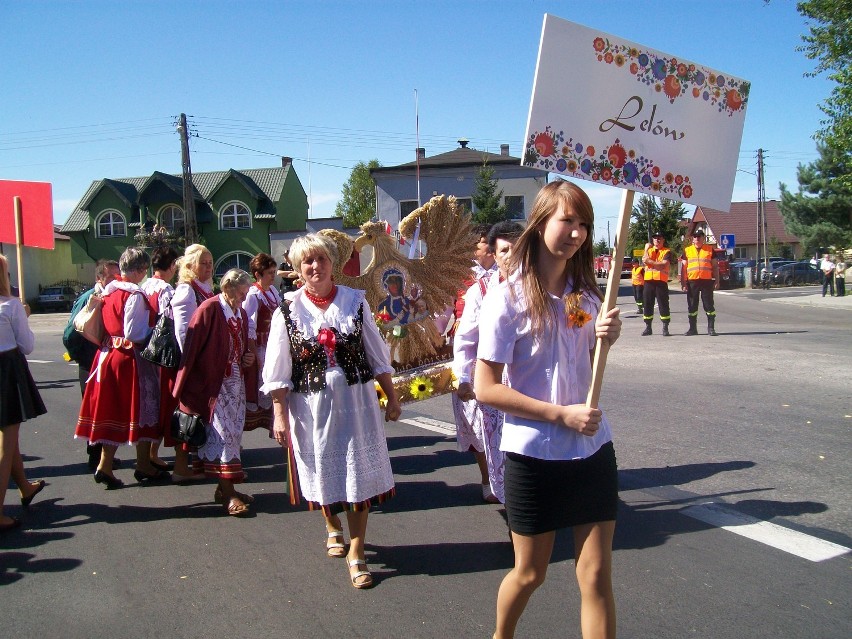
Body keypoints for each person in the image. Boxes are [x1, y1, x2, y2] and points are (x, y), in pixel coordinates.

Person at [474, 180, 621, 639]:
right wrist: (559, 415)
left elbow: (585, 372)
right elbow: (486, 388)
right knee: (530, 573)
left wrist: (605, 341)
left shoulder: (587, 297)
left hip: (592, 450)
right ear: (540, 224)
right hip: (533, 455)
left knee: (595, 576)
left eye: (584, 224)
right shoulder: (507, 297)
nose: (576, 232)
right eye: (567, 221)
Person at [262, 233, 401, 589]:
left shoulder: (355, 302)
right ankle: (332, 524)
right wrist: (278, 414)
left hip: (356, 405)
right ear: (297, 269)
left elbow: (375, 352)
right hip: (311, 410)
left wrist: (392, 396)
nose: (315, 267)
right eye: (307, 262)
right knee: (325, 471)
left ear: (332, 264)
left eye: (321, 259)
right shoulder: (287, 311)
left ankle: (358, 551)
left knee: (359, 476)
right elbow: (277, 370)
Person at [74, 247, 169, 489]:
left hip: (106, 356)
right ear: (139, 270)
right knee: (144, 408)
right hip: (129, 358)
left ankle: (105, 465)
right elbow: (133, 332)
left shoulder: (108, 291)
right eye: (144, 269)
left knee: (114, 411)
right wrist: (155, 330)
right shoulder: (134, 295)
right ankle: (143, 463)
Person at [173, 269, 256, 517]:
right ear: (229, 287)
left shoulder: (239, 313)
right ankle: (228, 492)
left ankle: (225, 489)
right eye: (242, 293)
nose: (244, 299)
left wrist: (246, 357)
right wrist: (190, 383)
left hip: (235, 385)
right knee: (221, 435)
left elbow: (239, 345)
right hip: (214, 387)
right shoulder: (209, 309)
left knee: (233, 435)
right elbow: (192, 345)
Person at [452, 221, 523, 505]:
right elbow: (466, 338)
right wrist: (464, 378)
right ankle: (514, 513)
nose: (510, 255)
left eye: (516, 248)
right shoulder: (480, 290)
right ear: (494, 254)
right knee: (498, 448)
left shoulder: (542, 285)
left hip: (529, 380)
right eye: (504, 250)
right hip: (494, 381)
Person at [0, 254, 48, 532]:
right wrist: (24, 317)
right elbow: (27, 346)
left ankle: (25, 487)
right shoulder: (10, 306)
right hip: (6, 371)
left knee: (9, 437)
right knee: (6, 443)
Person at [63, 259, 121, 470]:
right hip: (90, 361)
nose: (116, 280)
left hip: (100, 359)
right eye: (111, 276)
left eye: (118, 276)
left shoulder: (109, 295)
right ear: (99, 278)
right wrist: (81, 356)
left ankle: (101, 456)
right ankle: (95, 457)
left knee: (102, 408)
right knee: (95, 409)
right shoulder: (90, 297)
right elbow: (71, 333)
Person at [168, 243, 215, 483]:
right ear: (190, 266)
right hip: (193, 363)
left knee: (200, 414)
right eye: (203, 263)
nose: (208, 267)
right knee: (188, 414)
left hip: (205, 360)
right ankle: (180, 467)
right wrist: (196, 362)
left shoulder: (204, 288)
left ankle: (198, 462)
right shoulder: (186, 290)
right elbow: (184, 333)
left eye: (210, 263)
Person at [140, 246, 180, 470]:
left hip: (145, 348)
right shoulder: (166, 289)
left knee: (149, 402)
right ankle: (152, 453)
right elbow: (168, 320)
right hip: (161, 351)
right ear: (172, 265)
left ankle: (151, 454)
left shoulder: (144, 286)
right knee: (162, 401)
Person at [243, 252, 282, 435]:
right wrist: (255, 354)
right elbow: (248, 325)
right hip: (261, 347)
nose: (273, 276)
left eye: (274, 272)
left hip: (274, 345)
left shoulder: (273, 292)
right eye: (269, 273)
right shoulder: (253, 295)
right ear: (258, 274)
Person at [680, 229, 720, 336]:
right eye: (695, 236)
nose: (697, 238)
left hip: (706, 281)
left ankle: (711, 328)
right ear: (693, 238)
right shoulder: (687, 250)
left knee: (709, 305)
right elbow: (683, 268)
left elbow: (715, 267)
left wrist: (717, 280)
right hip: (692, 281)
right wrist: (683, 283)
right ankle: (693, 329)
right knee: (692, 306)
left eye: (699, 236)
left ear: (703, 238)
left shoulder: (710, 250)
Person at [642, 231, 672, 336]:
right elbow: (644, 259)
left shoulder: (667, 251)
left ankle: (665, 327)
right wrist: (646, 249)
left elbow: (663, 265)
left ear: (663, 240)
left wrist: (650, 262)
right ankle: (648, 327)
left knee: (663, 304)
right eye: (655, 238)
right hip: (648, 282)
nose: (657, 240)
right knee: (647, 304)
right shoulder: (649, 250)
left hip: (661, 282)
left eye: (659, 238)